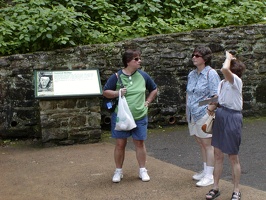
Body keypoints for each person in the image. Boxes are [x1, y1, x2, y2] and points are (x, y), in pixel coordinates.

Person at [103, 49, 158, 183]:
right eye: (136, 59)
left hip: (139, 115)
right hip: (121, 116)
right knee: (120, 144)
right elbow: (105, 92)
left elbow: (154, 89)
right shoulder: (116, 76)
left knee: (139, 143)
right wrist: (117, 93)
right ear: (128, 62)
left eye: (139, 58)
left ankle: (142, 170)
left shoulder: (143, 75)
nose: (140, 61)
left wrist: (148, 101)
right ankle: (118, 171)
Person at [205, 51, 246, 200]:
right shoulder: (222, 83)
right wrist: (212, 107)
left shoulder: (236, 81)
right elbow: (220, 100)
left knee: (233, 156)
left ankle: (236, 190)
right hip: (221, 116)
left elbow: (224, 69)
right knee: (217, 154)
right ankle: (215, 187)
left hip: (232, 117)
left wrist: (229, 57)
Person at [186, 46, 221, 187]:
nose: (194, 57)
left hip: (203, 113)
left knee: (208, 144)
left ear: (205, 59)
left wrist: (209, 109)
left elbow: (217, 95)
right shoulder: (191, 74)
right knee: (201, 142)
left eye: (197, 55)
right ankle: (206, 169)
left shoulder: (211, 74)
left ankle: (209, 175)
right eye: (193, 54)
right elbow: (188, 93)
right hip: (192, 113)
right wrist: (186, 110)